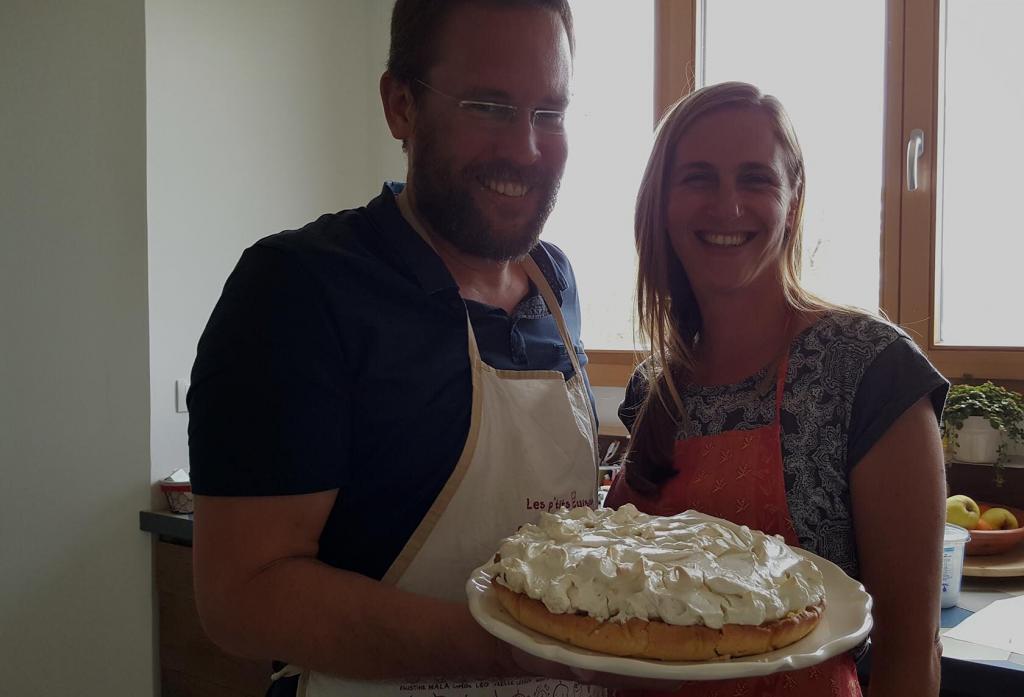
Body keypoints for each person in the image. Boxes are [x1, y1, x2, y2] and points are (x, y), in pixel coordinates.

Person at [187, 1, 610, 695]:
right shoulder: (300, 287)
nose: (527, 149)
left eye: (550, 113)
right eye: (489, 105)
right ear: (400, 105)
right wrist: (509, 650)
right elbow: (241, 596)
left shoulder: (554, 281)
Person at [605, 82, 948, 697]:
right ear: (660, 203)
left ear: (793, 200)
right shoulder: (652, 387)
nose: (728, 206)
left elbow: (909, 656)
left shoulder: (869, 371)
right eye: (699, 178)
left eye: (756, 179)